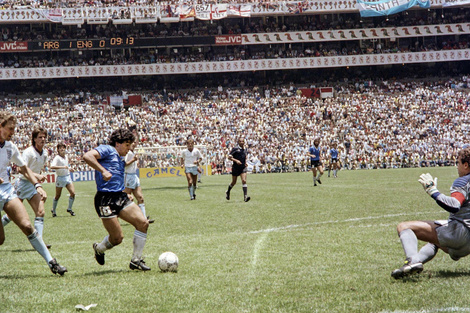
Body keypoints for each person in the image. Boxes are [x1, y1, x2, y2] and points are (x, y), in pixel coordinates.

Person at [0, 111, 67, 275]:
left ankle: (52, 262)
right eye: (10, 129)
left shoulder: (10, 147)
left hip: (6, 190)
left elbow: (24, 168)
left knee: (28, 226)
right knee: (0, 239)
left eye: (14, 129)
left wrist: (37, 185)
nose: (13, 132)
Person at [391, 147, 470, 279]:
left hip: (460, 234)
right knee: (435, 240)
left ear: (466, 165)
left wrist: (433, 191)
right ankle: (415, 263)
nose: (457, 167)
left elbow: (455, 205)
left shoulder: (463, 181)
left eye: (458, 163)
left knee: (403, 227)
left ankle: (411, 261)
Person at [83, 128, 150, 271]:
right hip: (104, 199)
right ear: (118, 143)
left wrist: (126, 192)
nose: (129, 148)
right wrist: (103, 171)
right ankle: (99, 248)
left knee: (143, 223)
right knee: (117, 239)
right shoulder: (107, 149)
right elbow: (87, 156)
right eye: (127, 145)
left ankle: (136, 260)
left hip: (120, 196)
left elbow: (117, 176)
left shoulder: (120, 158)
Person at [2, 126, 51, 248]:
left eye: (44, 137)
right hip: (22, 184)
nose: (43, 139)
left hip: (33, 185)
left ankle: (39, 243)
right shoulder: (29, 152)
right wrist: (37, 176)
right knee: (12, 215)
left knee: (40, 211)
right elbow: (20, 169)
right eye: (40, 137)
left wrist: (37, 179)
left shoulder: (45, 153)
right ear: (34, 139)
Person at [124, 141, 154, 223]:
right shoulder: (128, 153)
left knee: (140, 198)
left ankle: (143, 219)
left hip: (134, 176)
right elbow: (123, 164)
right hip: (128, 176)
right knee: (126, 199)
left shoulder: (133, 152)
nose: (134, 144)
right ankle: (116, 215)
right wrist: (133, 160)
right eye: (132, 142)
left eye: (134, 142)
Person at [50, 142, 76, 217]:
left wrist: (70, 168)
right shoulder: (57, 158)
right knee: (57, 195)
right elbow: (52, 167)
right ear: (58, 150)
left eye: (63, 148)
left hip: (67, 176)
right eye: (60, 148)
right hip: (60, 178)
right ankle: (54, 210)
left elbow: (66, 166)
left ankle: (69, 208)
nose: (62, 149)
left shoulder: (66, 157)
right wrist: (63, 167)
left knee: (73, 193)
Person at [225, 137, 251, 202]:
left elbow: (244, 157)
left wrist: (245, 163)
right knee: (234, 182)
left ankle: (245, 197)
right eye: (240, 141)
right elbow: (229, 157)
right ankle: (228, 191)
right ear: (238, 142)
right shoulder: (235, 149)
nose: (242, 142)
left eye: (243, 141)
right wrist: (236, 161)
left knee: (244, 180)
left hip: (242, 168)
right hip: (236, 168)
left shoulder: (245, 149)